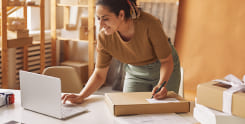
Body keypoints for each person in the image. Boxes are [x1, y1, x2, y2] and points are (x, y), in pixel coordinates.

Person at [62, 0, 180, 104]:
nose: (101, 25)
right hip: (135, 71)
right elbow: (99, 74)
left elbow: (166, 61)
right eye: (98, 18)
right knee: (129, 109)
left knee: (164, 109)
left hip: (163, 67)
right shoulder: (104, 37)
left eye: (106, 18)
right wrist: (81, 96)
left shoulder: (150, 24)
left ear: (121, 14)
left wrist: (161, 85)